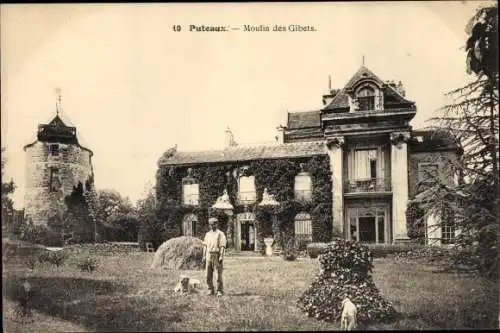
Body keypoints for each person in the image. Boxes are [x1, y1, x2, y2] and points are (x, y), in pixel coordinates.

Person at [202, 217, 227, 296]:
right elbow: (205, 246)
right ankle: (210, 289)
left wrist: (221, 256)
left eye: (214, 224)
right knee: (208, 274)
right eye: (211, 224)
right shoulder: (207, 234)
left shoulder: (220, 234)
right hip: (208, 255)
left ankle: (219, 290)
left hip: (217, 255)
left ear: (217, 224)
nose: (212, 226)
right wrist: (204, 256)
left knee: (218, 275)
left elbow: (222, 246)